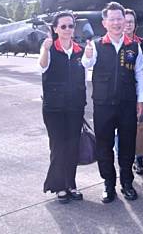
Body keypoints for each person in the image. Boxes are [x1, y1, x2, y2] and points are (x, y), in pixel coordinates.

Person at [82, 2, 143, 203]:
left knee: (127, 146)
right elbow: (86, 63)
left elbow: (140, 74)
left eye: (120, 19)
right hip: (103, 105)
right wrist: (88, 54)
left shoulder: (133, 46)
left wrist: (141, 100)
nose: (117, 23)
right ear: (105, 22)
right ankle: (108, 184)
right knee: (104, 146)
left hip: (127, 104)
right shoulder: (97, 45)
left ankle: (127, 183)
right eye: (113, 19)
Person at [39, 12, 86, 204]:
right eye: (64, 26)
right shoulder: (50, 49)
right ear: (56, 29)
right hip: (54, 108)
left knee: (73, 145)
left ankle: (71, 184)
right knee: (58, 146)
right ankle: (59, 186)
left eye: (71, 26)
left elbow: (87, 68)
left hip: (75, 106)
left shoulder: (80, 50)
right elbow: (42, 66)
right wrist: (44, 49)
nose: (68, 30)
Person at [123, 9, 143, 176]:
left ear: (135, 24)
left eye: (131, 22)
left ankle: (138, 160)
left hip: (140, 91)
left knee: (140, 126)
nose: (128, 25)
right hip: (123, 93)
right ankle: (126, 160)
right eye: (125, 22)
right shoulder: (117, 44)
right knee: (123, 129)